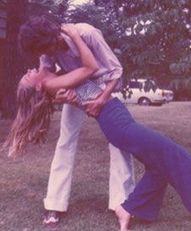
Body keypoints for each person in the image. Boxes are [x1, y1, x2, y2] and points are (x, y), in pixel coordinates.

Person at [6, 24, 191, 231]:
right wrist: (68, 95)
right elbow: (87, 69)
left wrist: (83, 96)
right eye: (27, 77)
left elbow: (112, 70)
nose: (30, 69)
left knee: (158, 163)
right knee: (167, 151)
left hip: (109, 103)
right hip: (111, 118)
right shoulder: (49, 76)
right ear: (36, 88)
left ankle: (129, 206)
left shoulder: (85, 37)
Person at [17, 16, 135, 226]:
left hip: (104, 87)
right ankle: (54, 203)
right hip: (75, 87)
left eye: (48, 50)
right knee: (65, 141)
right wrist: (62, 94)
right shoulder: (45, 49)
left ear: (53, 38)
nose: (46, 56)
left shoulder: (86, 33)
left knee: (119, 142)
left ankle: (122, 201)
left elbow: (116, 71)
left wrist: (100, 99)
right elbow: (49, 77)